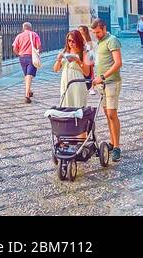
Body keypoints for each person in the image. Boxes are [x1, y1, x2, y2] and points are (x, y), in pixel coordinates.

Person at [90, 18, 123, 162]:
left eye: (97, 32)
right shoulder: (99, 42)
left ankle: (117, 147)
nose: (96, 35)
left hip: (111, 82)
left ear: (103, 28)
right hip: (101, 84)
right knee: (106, 114)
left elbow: (118, 63)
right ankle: (111, 141)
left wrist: (102, 76)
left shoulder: (112, 40)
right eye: (94, 33)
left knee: (111, 114)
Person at [52, 29, 90, 109]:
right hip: (65, 82)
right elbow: (55, 70)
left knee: (77, 104)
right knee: (66, 104)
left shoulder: (84, 53)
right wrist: (58, 60)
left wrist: (78, 61)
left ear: (78, 41)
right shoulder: (66, 50)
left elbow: (87, 72)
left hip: (77, 82)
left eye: (73, 41)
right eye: (69, 41)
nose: (71, 44)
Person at [12, 21, 42, 104]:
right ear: (30, 28)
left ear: (23, 28)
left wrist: (19, 54)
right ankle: (27, 95)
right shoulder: (34, 34)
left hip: (22, 57)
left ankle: (29, 90)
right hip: (31, 56)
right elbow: (39, 46)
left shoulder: (19, 36)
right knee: (29, 75)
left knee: (26, 75)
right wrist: (38, 52)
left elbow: (14, 48)